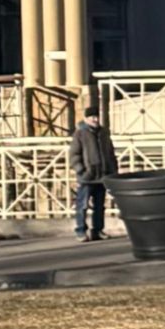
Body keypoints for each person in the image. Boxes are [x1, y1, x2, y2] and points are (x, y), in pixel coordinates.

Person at [69, 88, 119, 243]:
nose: (95, 119)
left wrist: (113, 171)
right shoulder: (80, 134)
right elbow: (74, 155)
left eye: (96, 116)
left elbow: (110, 153)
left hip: (102, 175)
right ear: (86, 118)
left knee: (99, 206)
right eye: (92, 117)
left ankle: (97, 230)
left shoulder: (104, 133)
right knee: (82, 205)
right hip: (87, 176)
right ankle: (80, 231)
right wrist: (81, 170)